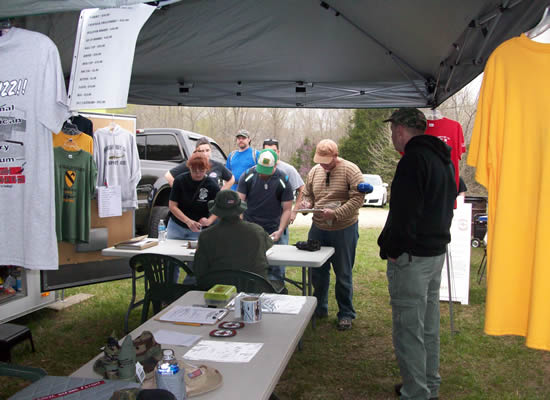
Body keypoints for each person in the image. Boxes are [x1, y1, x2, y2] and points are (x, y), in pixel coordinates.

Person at [377, 108, 456, 400]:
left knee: (409, 329)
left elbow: (404, 213)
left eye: (392, 130)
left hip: (413, 257)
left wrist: (393, 249)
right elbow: (449, 199)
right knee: (427, 325)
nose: (392, 136)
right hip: (434, 253)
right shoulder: (442, 158)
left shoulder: (413, 160)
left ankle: (416, 392)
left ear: (399, 130)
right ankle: (428, 386)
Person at [299, 139, 364, 331]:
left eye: (326, 161)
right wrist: (307, 204)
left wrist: (336, 213)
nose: (323, 165)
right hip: (318, 228)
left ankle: (346, 313)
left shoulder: (351, 170)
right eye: (320, 161)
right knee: (317, 271)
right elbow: (308, 194)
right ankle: (320, 307)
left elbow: (358, 199)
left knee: (343, 273)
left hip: (344, 228)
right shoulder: (314, 171)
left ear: (336, 155)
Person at [237, 149, 293, 290]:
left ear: (275, 166)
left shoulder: (283, 179)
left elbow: (287, 209)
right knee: (251, 266)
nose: (263, 174)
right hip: (251, 227)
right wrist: (241, 227)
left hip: (274, 228)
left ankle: (276, 291)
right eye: (261, 170)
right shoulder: (248, 176)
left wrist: (280, 229)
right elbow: (239, 204)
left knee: (276, 269)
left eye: (267, 171)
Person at [193, 190, 273, 281]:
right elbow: (267, 246)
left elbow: (199, 269)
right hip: (255, 286)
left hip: (218, 286)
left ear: (216, 212)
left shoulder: (206, 235)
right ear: (240, 210)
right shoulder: (257, 231)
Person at [262, 138, 305, 283]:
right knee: (261, 256)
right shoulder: (258, 168)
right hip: (260, 220)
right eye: (267, 151)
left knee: (279, 257)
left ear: (278, 152)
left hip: (280, 220)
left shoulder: (288, 169)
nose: (270, 154)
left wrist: (294, 211)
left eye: (273, 151)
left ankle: (278, 286)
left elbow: (302, 189)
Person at [167, 152, 220, 240]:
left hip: (198, 229)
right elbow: (172, 206)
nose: (198, 173)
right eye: (194, 170)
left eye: (201, 170)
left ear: (206, 168)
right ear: (189, 167)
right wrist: (188, 221)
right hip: (177, 226)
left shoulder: (212, 185)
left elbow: (219, 207)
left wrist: (209, 221)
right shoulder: (179, 180)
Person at [164, 137, 234, 190]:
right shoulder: (191, 164)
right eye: (202, 151)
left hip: (212, 203)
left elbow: (231, 179)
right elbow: (168, 176)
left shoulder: (218, 165)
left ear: (211, 150)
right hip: (194, 203)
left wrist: (220, 193)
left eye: (207, 150)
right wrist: (181, 193)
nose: (205, 154)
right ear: (197, 151)